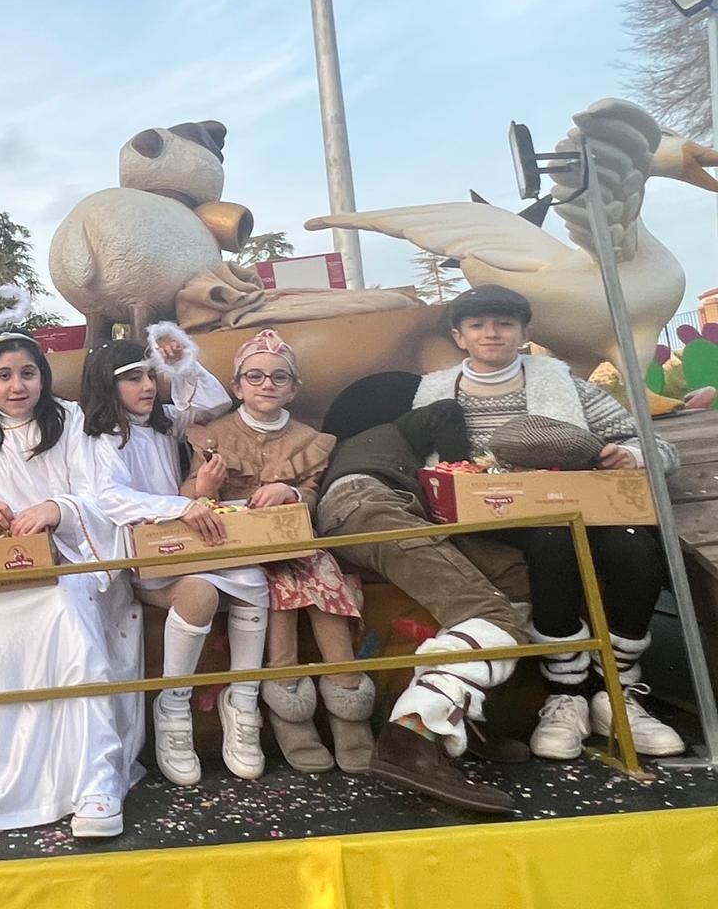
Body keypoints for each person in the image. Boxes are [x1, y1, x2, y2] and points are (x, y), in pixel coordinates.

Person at [414, 283, 684, 760]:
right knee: (552, 539)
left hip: (577, 498)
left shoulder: (566, 384)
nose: (492, 334)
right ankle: (567, 694)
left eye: (504, 324)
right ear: (460, 336)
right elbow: (423, 462)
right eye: (478, 325)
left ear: (525, 331)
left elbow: (652, 444)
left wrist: (630, 454)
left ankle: (618, 691)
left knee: (632, 543)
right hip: (493, 513)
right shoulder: (435, 392)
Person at [0, 296, 143, 838]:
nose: (17, 385)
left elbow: (104, 496)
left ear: (43, 377)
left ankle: (92, 782)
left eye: (28, 373)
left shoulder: (71, 423)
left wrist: (57, 509)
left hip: (65, 563)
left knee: (66, 619)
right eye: (4, 375)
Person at [314, 387, 529, 814]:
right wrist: (462, 468)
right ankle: (413, 733)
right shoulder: (389, 429)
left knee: (510, 571)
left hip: (375, 510)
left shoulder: (349, 453)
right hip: (368, 503)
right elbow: (445, 411)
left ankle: (459, 709)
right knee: (488, 611)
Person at [83, 330, 272, 787]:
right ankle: (172, 708)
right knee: (199, 593)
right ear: (107, 386)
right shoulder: (103, 438)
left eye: (150, 375)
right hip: (148, 554)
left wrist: (181, 363)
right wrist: (181, 506)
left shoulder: (165, 421)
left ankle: (243, 700)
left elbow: (212, 401)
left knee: (256, 577)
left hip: (189, 539)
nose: (147, 386)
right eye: (133, 378)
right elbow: (109, 498)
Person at [184, 330, 373, 774]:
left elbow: (313, 497)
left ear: (293, 388)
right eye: (255, 375)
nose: (266, 384)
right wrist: (204, 488)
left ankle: (351, 719)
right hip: (237, 550)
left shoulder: (310, 440)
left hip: (294, 545)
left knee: (322, 588)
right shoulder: (213, 436)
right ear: (237, 386)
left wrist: (289, 490)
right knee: (282, 605)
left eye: (278, 377)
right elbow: (188, 496)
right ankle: (294, 725)